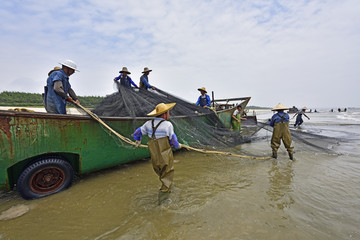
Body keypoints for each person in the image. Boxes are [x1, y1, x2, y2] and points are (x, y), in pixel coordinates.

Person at [133, 103, 181, 200]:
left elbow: (138, 132)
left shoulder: (148, 124)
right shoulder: (168, 125)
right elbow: (173, 140)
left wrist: (138, 140)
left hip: (154, 155)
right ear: (164, 114)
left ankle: (166, 184)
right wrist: (178, 146)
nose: (169, 115)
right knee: (168, 172)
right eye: (168, 113)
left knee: (159, 170)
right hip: (165, 155)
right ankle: (163, 199)